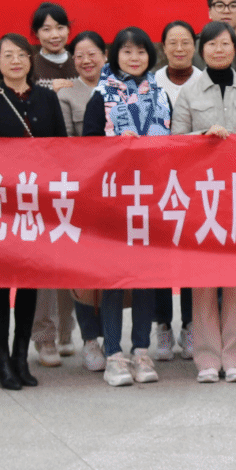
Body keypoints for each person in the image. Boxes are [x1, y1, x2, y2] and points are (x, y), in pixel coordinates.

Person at [171, 22, 236, 382]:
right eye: (212, 45)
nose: (219, 50)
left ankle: (234, 358)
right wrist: (202, 136)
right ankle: (206, 359)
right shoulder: (188, 93)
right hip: (201, 197)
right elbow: (174, 143)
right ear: (201, 50)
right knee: (202, 281)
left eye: (225, 44)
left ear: (235, 48)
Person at [0, 33, 69, 389]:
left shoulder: (47, 98)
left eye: (22, 55)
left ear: (30, 60)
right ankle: (2, 361)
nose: (15, 61)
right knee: (0, 286)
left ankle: (20, 356)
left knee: (29, 284)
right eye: (8, 55)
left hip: (34, 205)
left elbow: (61, 149)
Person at [84, 27, 175, 386]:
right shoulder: (101, 96)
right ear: (115, 56)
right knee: (114, 278)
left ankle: (141, 350)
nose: (134, 58)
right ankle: (113, 354)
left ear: (149, 56)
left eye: (140, 51)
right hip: (112, 199)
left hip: (151, 198)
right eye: (127, 51)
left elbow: (174, 144)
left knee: (145, 277)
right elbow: (87, 147)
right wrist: (114, 147)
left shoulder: (161, 95)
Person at [53, 30, 109, 370]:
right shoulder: (66, 95)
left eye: (92, 54)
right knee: (84, 270)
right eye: (79, 56)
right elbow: (64, 146)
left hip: (119, 193)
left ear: (105, 55)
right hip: (82, 192)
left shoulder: (122, 89)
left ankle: (117, 339)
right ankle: (90, 339)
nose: (86, 61)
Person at [148, 19, 202, 361]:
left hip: (197, 182)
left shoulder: (204, 81)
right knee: (160, 258)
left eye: (185, 42)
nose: (179, 49)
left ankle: (191, 325)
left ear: (194, 46)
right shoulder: (151, 83)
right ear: (163, 47)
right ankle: (163, 326)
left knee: (192, 258)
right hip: (159, 182)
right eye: (173, 43)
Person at [32, 2, 79, 90]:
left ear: (68, 29)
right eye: (46, 29)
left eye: (60, 28)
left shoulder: (79, 62)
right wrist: (50, 92)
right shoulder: (30, 67)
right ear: (36, 33)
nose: (55, 35)